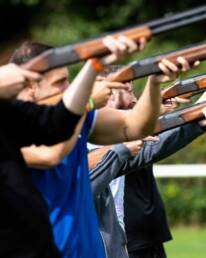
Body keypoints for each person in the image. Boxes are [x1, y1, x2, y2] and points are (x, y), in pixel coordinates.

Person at [0, 35, 129, 258]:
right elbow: (52, 155)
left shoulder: (13, 114)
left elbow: (58, 123)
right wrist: (87, 101)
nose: (66, 87)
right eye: (61, 82)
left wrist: (94, 66)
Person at [88, 69, 206, 258]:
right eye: (127, 90)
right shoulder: (82, 140)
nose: (134, 99)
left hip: (128, 238)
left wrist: (196, 118)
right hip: (111, 241)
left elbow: (148, 146)